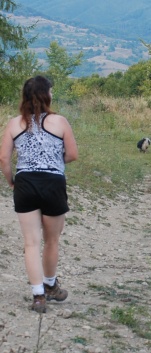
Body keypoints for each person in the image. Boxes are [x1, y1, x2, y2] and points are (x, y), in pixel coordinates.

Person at [0, 75, 78, 313]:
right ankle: (51, 285)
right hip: (53, 183)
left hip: (25, 183)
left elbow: (4, 158)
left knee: (31, 243)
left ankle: (37, 296)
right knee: (51, 240)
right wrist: (54, 162)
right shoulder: (60, 121)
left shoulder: (14, 124)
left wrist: (11, 180)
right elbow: (72, 154)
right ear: (47, 95)